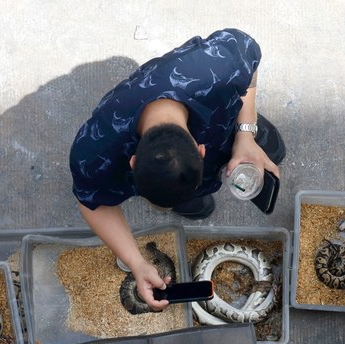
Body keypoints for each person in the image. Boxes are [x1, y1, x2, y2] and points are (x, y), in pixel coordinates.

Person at [70, 28, 286, 311]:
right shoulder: (95, 151)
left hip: (222, 113)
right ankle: (187, 197)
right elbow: (92, 202)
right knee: (195, 202)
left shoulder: (218, 67)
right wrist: (137, 263)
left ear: (200, 150)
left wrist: (245, 134)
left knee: (271, 147)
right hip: (203, 120)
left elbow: (251, 63)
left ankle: (240, 140)